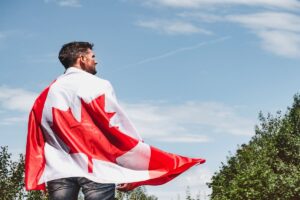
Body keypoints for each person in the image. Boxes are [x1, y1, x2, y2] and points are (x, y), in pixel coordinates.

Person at [25, 41, 205, 200]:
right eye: (92, 56)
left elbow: (37, 138)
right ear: (82, 59)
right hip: (96, 166)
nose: (96, 61)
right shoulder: (98, 85)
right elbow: (117, 127)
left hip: (60, 168)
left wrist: (41, 172)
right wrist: (127, 170)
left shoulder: (46, 95)